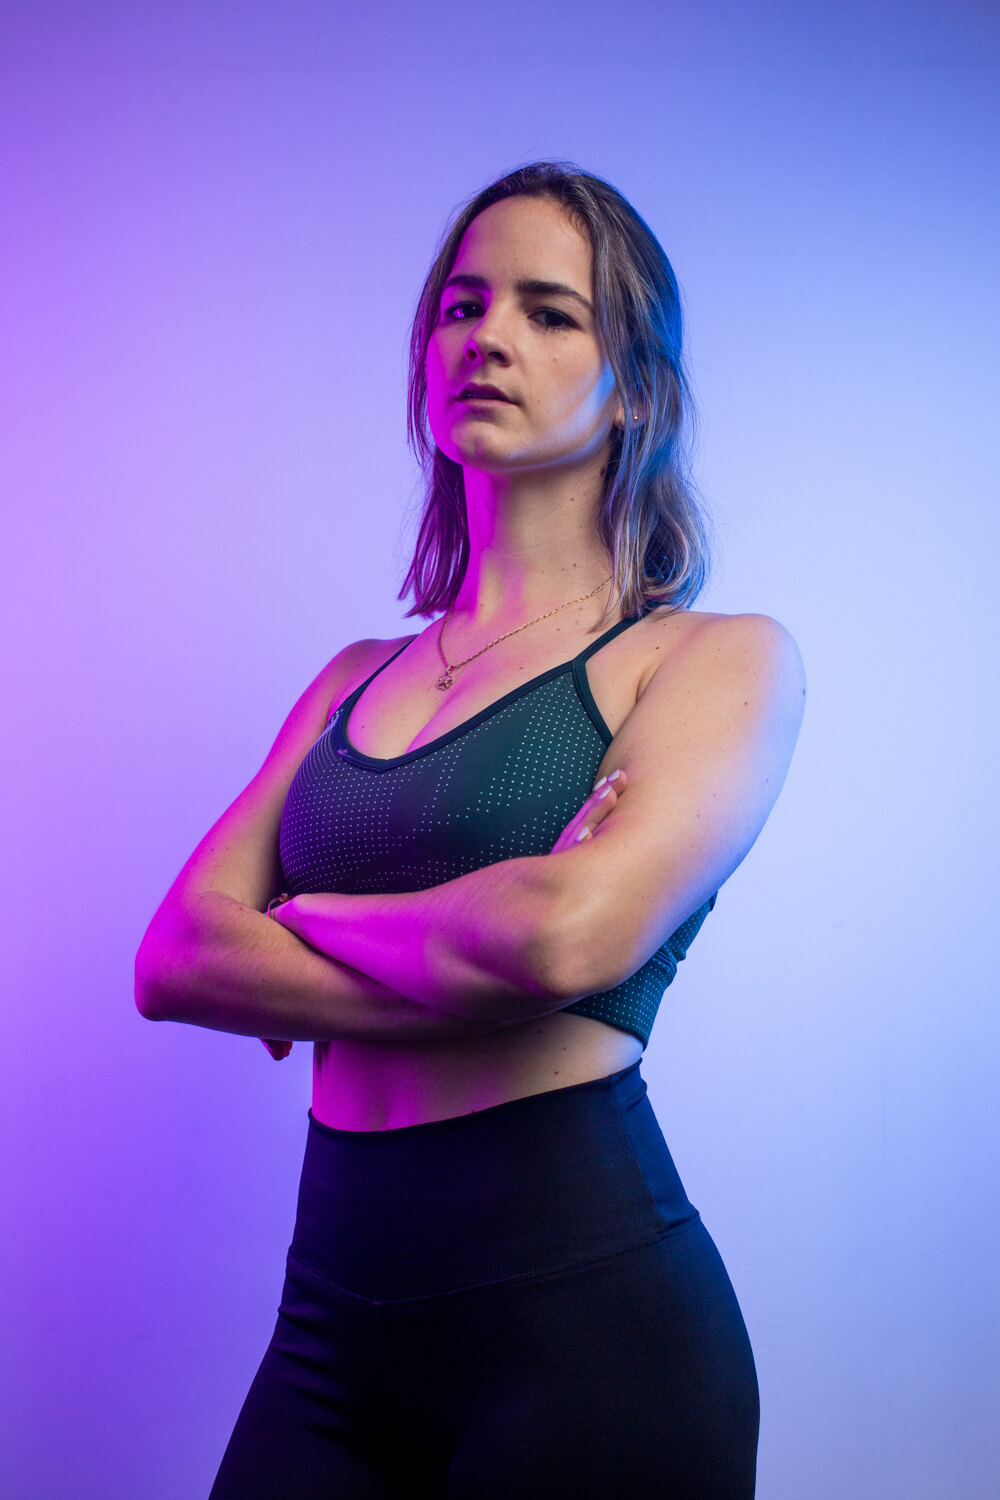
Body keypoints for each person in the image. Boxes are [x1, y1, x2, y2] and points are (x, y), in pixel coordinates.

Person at [135, 160, 805, 1498]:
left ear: (636, 385)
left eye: (551, 313)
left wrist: (306, 923)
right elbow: (175, 959)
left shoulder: (707, 661)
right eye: (463, 304)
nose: (488, 337)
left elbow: (565, 940)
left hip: (587, 1326)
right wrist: (474, 964)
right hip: (330, 1324)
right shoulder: (350, 679)